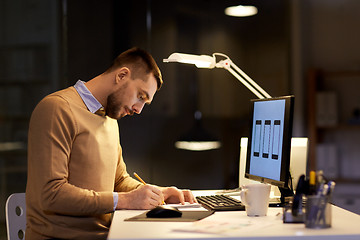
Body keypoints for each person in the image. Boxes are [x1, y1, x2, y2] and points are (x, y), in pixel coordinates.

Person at [25, 47, 197, 240]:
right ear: (122, 75)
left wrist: (159, 193)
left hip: (107, 234)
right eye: (140, 96)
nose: (138, 110)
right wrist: (124, 200)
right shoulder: (57, 109)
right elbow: (50, 194)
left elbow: (119, 181)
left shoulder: (110, 120)